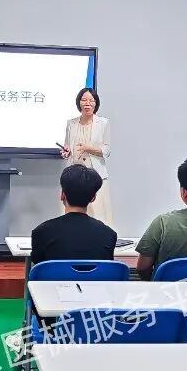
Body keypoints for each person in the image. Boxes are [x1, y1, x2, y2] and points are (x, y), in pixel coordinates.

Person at [31, 164, 117, 266]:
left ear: (62, 195)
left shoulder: (41, 232)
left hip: (57, 277)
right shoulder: (109, 235)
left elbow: (38, 268)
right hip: (94, 278)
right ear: (93, 198)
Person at [60, 88, 112, 226]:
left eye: (91, 100)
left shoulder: (103, 123)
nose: (87, 103)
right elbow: (68, 147)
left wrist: (88, 148)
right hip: (74, 175)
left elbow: (106, 151)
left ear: (96, 103)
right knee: (72, 215)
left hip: (95, 174)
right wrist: (66, 152)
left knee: (98, 215)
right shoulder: (71, 123)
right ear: (79, 102)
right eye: (84, 100)